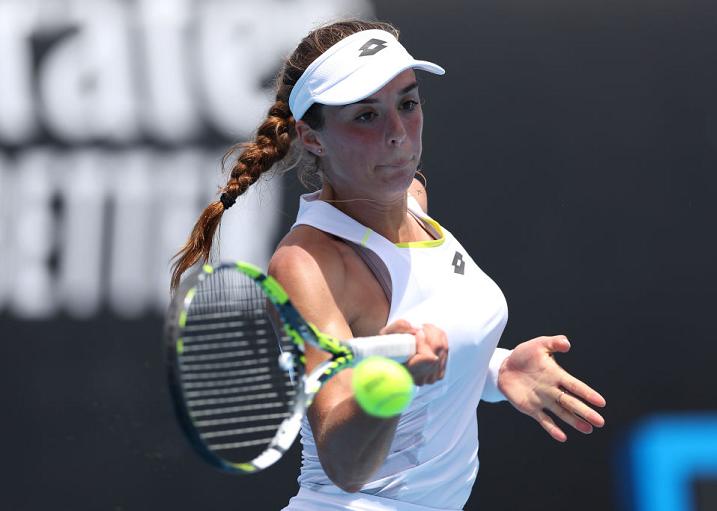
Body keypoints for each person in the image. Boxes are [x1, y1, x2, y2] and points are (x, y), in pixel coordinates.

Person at [171, 19, 606, 511]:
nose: (398, 134)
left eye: (407, 103)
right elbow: (345, 466)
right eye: (365, 116)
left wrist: (496, 367)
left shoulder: (412, 199)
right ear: (311, 138)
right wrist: (392, 384)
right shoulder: (308, 264)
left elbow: (433, 335)